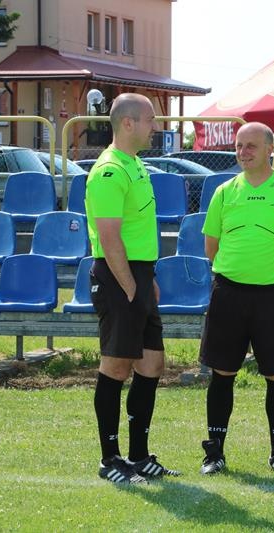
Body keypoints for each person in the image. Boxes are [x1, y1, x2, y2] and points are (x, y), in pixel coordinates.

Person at [198, 122, 274, 476]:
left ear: (269, 150)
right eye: (238, 146)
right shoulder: (224, 192)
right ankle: (215, 451)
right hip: (228, 294)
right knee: (222, 373)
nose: (243, 152)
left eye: (251, 146)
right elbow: (211, 246)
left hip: (272, 296)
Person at [85, 93, 180, 485]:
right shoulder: (109, 171)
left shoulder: (135, 163)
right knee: (117, 366)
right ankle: (110, 459)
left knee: (152, 364)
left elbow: (135, 232)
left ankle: (139, 456)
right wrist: (129, 287)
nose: (155, 127)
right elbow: (109, 238)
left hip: (138, 274)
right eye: (150, 120)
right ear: (128, 123)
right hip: (117, 277)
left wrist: (146, 280)